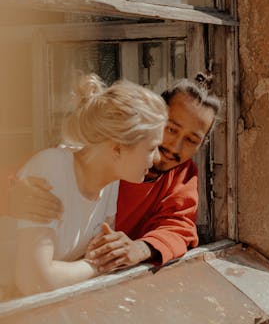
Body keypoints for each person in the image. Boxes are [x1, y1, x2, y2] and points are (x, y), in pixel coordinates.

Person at [8, 74, 221, 275]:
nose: (174, 147)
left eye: (191, 140)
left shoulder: (183, 174)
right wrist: (13, 199)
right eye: (171, 129)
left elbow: (178, 226)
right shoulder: (91, 155)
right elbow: (26, 178)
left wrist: (141, 248)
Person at [13, 74, 167, 296]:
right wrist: (96, 266)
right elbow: (34, 280)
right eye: (151, 148)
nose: (157, 159)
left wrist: (101, 259)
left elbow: (94, 256)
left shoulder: (111, 182)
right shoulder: (51, 170)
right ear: (117, 148)